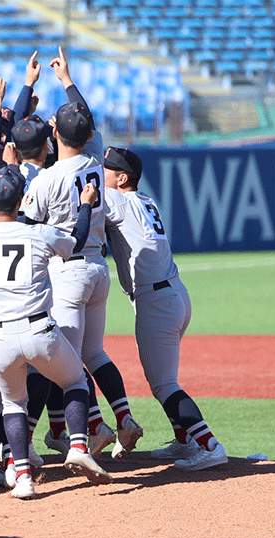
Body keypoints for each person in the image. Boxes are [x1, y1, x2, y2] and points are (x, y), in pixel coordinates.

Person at [0, 165, 112, 499]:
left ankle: (23, 477)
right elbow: (78, 241)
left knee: (13, 403)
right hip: (39, 329)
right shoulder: (38, 234)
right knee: (75, 381)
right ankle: (78, 446)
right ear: (22, 199)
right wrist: (85, 204)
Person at [21, 47, 143, 461]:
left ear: (55, 135)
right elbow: (83, 117)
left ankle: (77, 437)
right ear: (89, 135)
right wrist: (67, 81)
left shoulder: (48, 178)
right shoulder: (96, 160)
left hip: (67, 274)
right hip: (97, 267)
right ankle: (122, 419)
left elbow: (22, 223)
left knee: (61, 365)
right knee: (94, 354)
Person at [101, 147, 227, 470]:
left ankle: (209, 444)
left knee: (164, 385)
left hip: (156, 301)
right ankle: (184, 441)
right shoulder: (146, 200)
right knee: (165, 378)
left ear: (122, 178)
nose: (101, 173)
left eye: (107, 169)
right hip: (175, 295)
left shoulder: (116, 200)